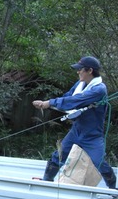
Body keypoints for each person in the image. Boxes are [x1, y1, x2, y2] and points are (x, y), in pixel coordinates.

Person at [32, 56, 117, 189]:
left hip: (92, 135)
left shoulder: (99, 90)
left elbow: (75, 101)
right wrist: (49, 103)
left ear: (89, 71)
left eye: (80, 70)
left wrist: (49, 103)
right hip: (76, 131)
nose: (78, 72)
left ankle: (113, 189)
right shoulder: (80, 84)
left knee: (99, 163)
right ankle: (46, 182)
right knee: (58, 156)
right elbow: (68, 97)